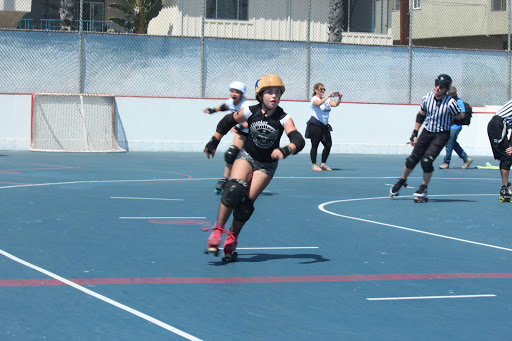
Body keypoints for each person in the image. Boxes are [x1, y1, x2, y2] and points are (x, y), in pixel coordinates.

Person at [203, 74, 305, 261]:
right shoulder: (250, 111)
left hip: (266, 166)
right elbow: (227, 121)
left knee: (245, 206)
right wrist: (214, 141)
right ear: (260, 96)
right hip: (247, 156)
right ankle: (218, 230)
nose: (274, 96)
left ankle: (233, 237)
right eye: (269, 92)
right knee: (234, 189)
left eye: (277, 92)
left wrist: (286, 150)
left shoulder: (284, 118)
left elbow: (298, 139)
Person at [389, 74, 465, 200]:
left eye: (441, 87)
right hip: (427, 131)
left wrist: (457, 118)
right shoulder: (426, 98)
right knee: (412, 159)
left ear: (446, 89)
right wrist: (414, 133)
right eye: (436, 85)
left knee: (426, 161)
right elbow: (421, 115)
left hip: (441, 134)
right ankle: (402, 180)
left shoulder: (451, 103)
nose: (437, 88)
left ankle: (424, 187)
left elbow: (459, 117)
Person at [203, 81, 251, 194]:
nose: (234, 94)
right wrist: (212, 110)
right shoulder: (231, 102)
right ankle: (225, 179)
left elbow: (253, 121)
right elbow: (224, 107)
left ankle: (247, 180)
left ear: (242, 94)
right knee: (231, 154)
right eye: (232, 91)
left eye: (237, 92)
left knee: (250, 159)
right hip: (241, 133)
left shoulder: (246, 105)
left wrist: (239, 126)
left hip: (252, 133)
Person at [305, 82, 342, 171]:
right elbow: (318, 104)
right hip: (315, 125)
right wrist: (328, 96)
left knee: (328, 144)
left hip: (324, 126)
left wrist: (339, 98)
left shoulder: (326, 100)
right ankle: (314, 165)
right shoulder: (314, 98)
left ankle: (323, 164)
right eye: (321, 89)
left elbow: (335, 104)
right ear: (316, 90)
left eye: (323, 89)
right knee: (315, 145)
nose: (322, 91)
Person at [439, 86, 473, 169]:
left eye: (453, 93)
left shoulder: (459, 101)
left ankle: (446, 162)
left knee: (449, 144)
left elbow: (462, 114)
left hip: (455, 126)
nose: (452, 94)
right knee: (452, 143)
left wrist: (453, 120)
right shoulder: (448, 101)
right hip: (449, 125)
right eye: (450, 93)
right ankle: (466, 158)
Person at [487, 99, 512, 200]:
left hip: (497, 125)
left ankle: (504, 187)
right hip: (499, 125)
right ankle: (504, 188)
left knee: (506, 156)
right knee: (507, 156)